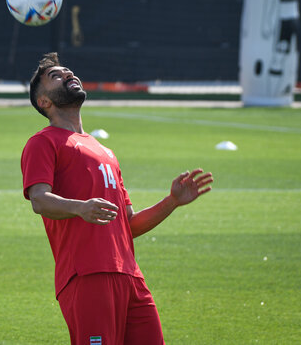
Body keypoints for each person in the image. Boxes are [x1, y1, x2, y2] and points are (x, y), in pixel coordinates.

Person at [20, 52, 213, 345]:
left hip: (130, 277)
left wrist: (171, 201)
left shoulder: (105, 151)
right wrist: (81, 208)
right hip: (86, 275)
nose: (68, 75)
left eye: (68, 71)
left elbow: (130, 224)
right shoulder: (42, 143)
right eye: (56, 76)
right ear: (44, 102)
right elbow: (39, 200)